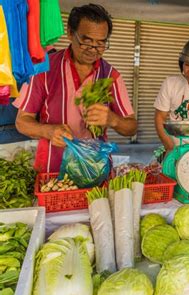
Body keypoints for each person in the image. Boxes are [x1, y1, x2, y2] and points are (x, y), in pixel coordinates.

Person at [14, 4, 137, 173]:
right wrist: (48, 130)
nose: (93, 50)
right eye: (86, 42)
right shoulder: (43, 69)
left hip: (96, 169)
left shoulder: (111, 76)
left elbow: (131, 127)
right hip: (52, 169)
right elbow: (22, 121)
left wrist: (113, 119)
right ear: (71, 33)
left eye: (101, 44)